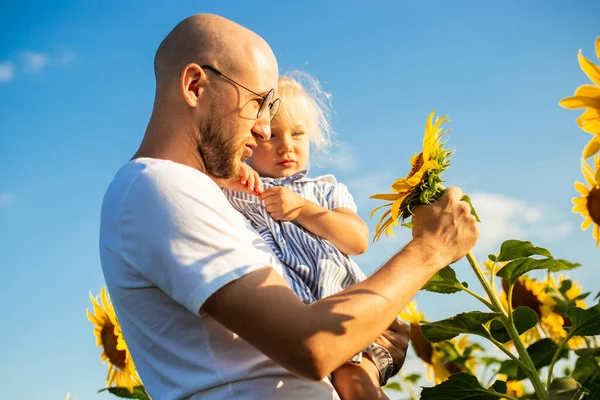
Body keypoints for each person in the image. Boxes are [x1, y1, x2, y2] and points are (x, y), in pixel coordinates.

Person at [99, 13, 479, 400]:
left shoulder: (216, 201)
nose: (265, 128)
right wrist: (430, 249)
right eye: (258, 102)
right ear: (196, 85)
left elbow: (312, 331)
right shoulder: (157, 186)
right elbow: (311, 345)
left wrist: (368, 346)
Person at [221, 72, 397, 398]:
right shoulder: (241, 191)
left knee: (354, 385)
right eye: (271, 135)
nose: (286, 145)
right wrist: (229, 172)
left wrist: (303, 209)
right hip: (293, 322)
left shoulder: (323, 190)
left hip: (343, 314)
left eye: (298, 133)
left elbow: (356, 239)